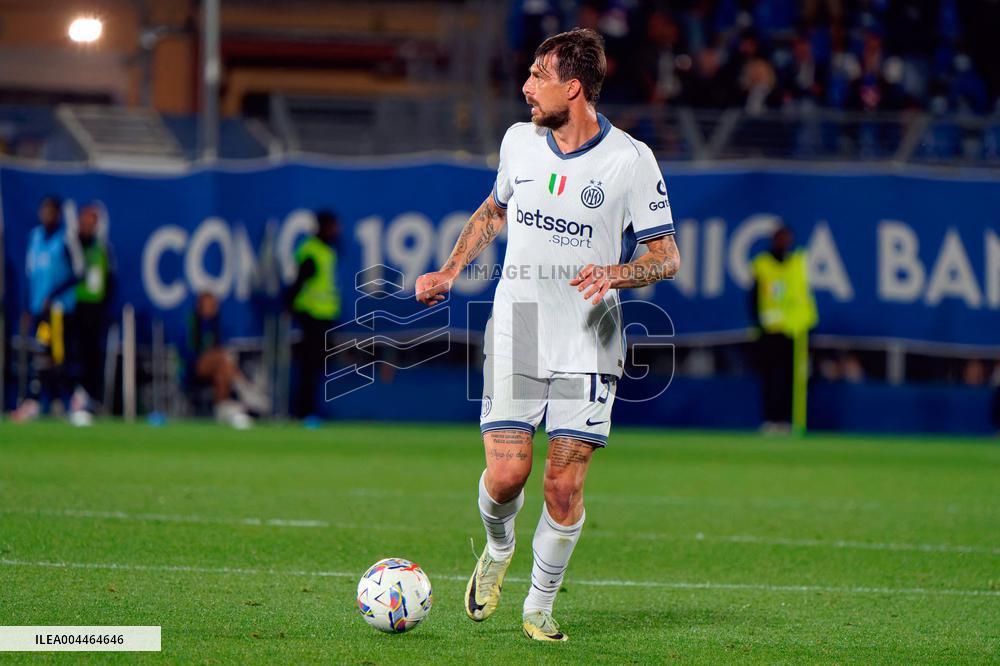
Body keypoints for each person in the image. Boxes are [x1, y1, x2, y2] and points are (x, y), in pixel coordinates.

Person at [415, 28, 680, 642]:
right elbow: (494, 211)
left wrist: (618, 271)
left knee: (563, 484)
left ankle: (539, 605)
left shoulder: (630, 160)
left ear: (574, 87)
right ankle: (498, 545)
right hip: (522, 325)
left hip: (590, 333)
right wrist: (451, 270)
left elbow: (665, 255)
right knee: (508, 475)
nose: (526, 87)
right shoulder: (519, 143)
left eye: (539, 75)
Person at [12, 195, 82, 422]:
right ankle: (46, 401)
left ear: (59, 214)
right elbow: (30, 276)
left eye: (51, 211)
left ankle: (73, 400)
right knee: (42, 354)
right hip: (40, 312)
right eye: (45, 210)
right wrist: (28, 307)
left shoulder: (66, 238)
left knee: (60, 356)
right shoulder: (35, 237)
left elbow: (78, 272)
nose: (47, 215)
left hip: (60, 311)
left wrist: (53, 296)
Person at [749, 225, 817, 433]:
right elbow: (753, 297)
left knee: (792, 378)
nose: (784, 243)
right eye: (781, 239)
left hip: (794, 330)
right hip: (770, 329)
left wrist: (804, 320)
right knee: (770, 378)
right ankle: (771, 420)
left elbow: (803, 294)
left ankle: (787, 421)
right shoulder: (762, 263)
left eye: (787, 239)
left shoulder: (798, 261)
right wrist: (757, 323)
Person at [286, 210, 341, 421]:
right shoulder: (312, 250)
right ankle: (304, 411)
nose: (336, 230)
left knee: (316, 366)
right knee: (309, 366)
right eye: (333, 226)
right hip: (311, 315)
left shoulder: (327, 250)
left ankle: (310, 409)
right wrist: (289, 304)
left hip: (324, 315)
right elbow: (300, 280)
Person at [187, 291, 265, 429]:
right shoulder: (191, 324)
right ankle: (245, 389)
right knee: (222, 359)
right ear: (199, 306)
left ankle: (221, 410)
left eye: (213, 304)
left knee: (221, 373)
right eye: (207, 304)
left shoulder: (218, 325)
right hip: (193, 368)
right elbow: (190, 353)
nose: (211, 307)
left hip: (216, 367)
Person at [73, 202, 115, 408]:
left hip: (94, 311)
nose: (88, 225)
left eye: (93, 221)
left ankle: (90, 398)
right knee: (62, 351)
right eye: (85, 220)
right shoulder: (72, 245)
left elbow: (110, 280)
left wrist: (105, 307)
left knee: (92, 355)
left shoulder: (102, 249)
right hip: (71, 309)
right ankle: (65, 396)